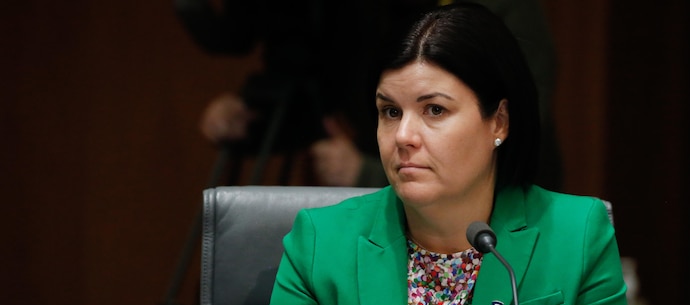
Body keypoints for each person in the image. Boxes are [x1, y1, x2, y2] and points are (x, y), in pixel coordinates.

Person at [263, 3, 630, 305]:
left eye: (434, 110)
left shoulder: (577, 236)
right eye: (390, 112)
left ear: (499, 122)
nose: (404, 136)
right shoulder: (319, 243)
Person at [188, 0, 562, 190]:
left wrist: (368, 173)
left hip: (499, 207)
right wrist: (251, 116)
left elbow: (518, 120)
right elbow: (324, 84)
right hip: (390, 206)